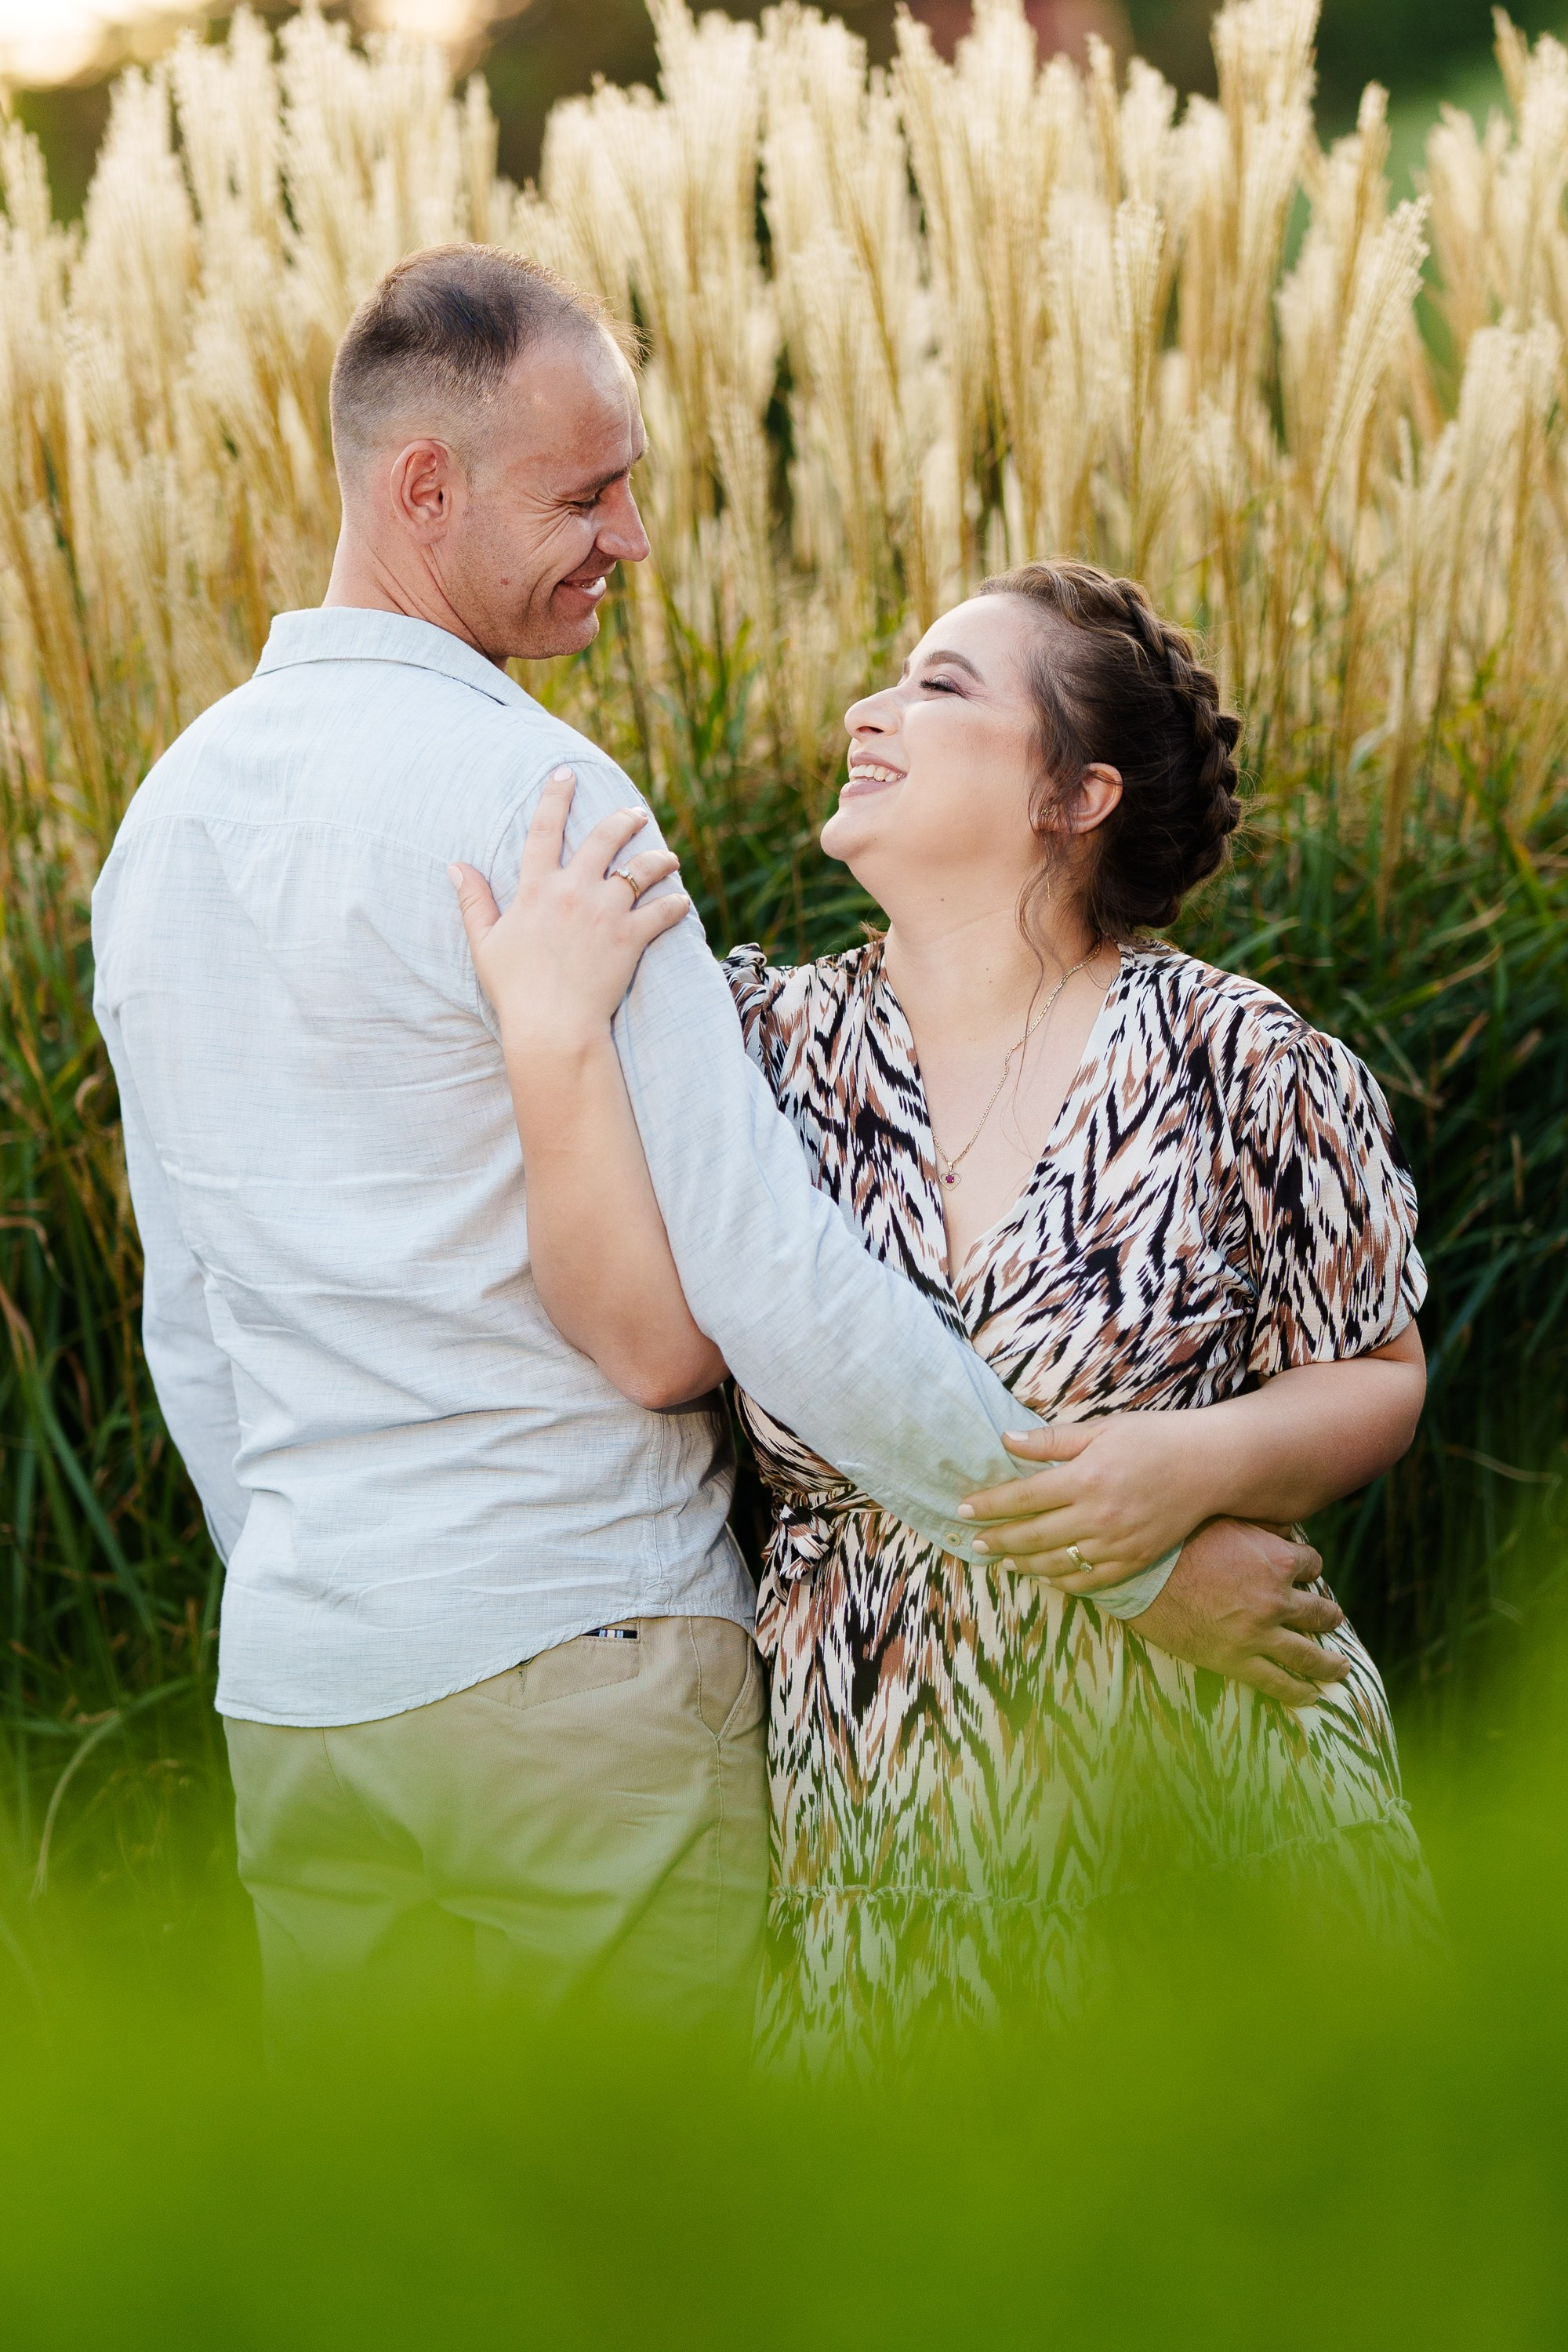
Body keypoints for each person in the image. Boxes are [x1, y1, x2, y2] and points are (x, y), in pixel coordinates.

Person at [93, 242, 1346, 2042]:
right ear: (421, 488)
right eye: (583, 494)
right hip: (580, 1670)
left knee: (388, 2270)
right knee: (642, 2253)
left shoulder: (169, 820)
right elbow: (776, 1280)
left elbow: (188, 1311)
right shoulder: (544, 803)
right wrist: (1140, 1569)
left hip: (303, 1695)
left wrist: (303, 1594)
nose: (631, 538)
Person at [454, 560, 1434, 2066]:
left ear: (1076, 794)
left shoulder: (1243, 1057)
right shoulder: (753, 1046)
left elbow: (1377, 1372)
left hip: (1213, 1804)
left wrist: (1195, 1465)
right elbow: (641, 1338)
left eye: (942, 686)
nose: (872, 712)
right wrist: (554, 1038)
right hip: (879, 1843)